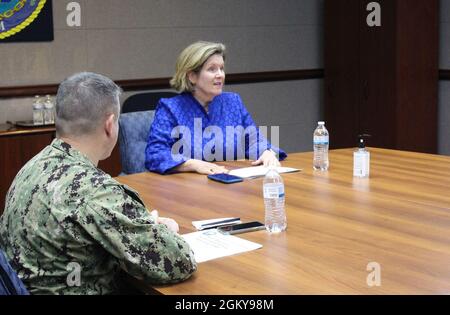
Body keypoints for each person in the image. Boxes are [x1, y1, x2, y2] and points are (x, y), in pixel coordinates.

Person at [0, 72, 197, 295]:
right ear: (110, 125)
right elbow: (178, 262)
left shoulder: (31, 167)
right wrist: (164, 230)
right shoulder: (93, 190)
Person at [145, 41, 287, 175]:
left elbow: (253, 140)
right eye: (212, 69)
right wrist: (193, 164)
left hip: (230, 183)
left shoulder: (233, 102)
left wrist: (266, 152)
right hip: (189, 189)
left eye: (221, 68)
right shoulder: (170, 108)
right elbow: (155, 154)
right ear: (192, 76)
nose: (220, 75)